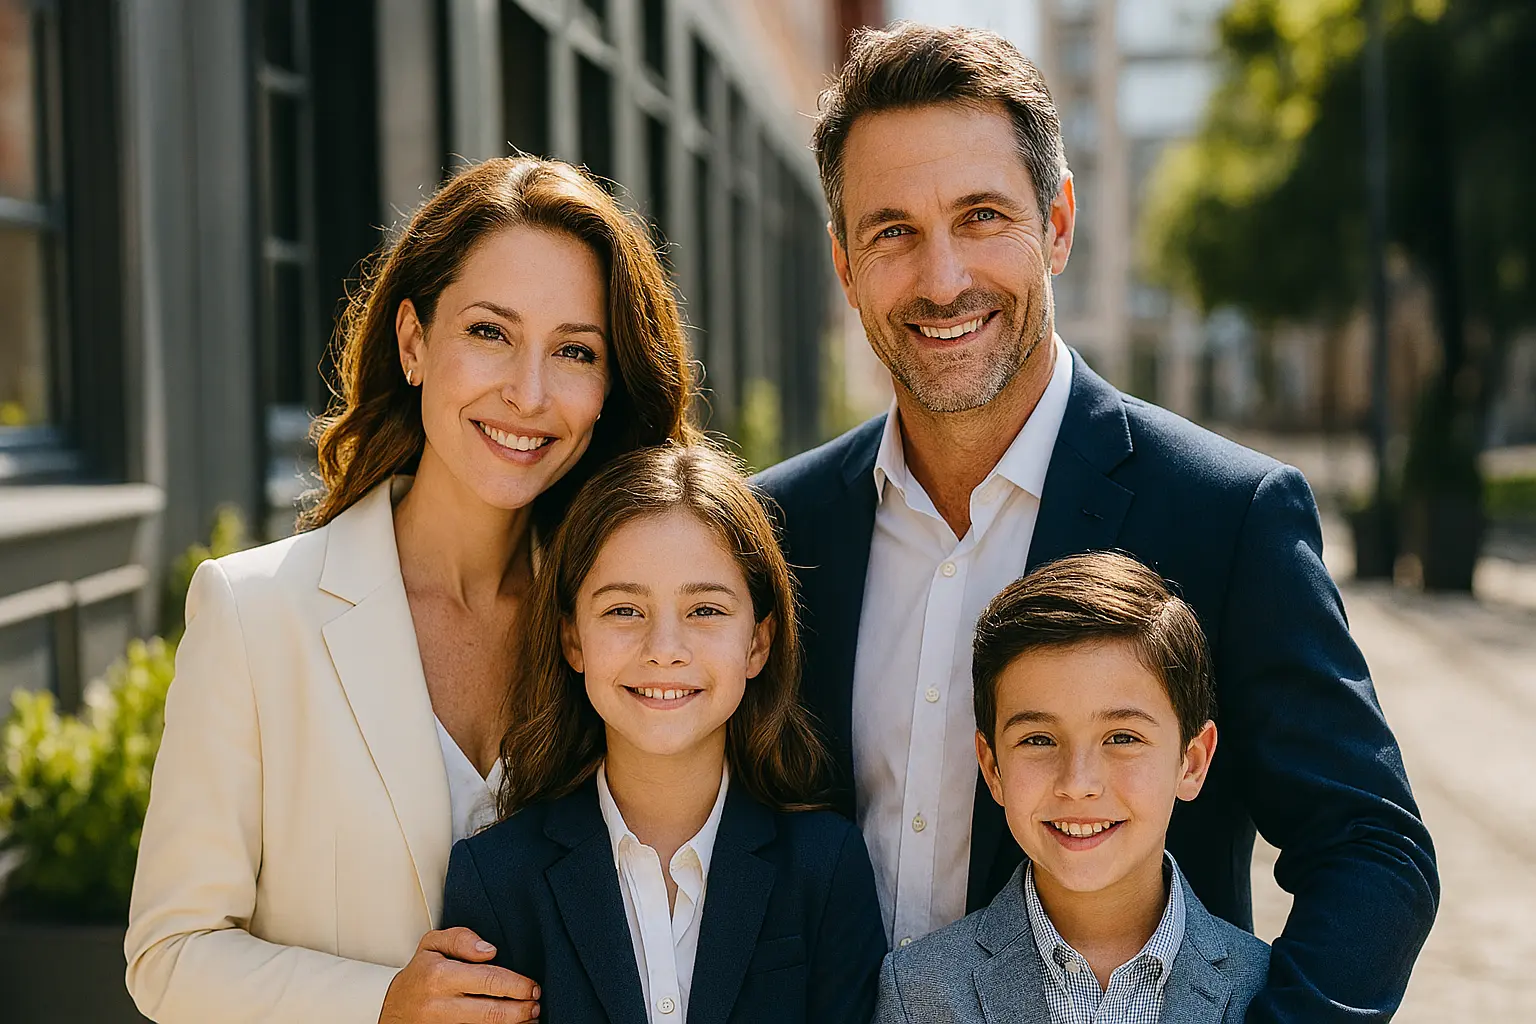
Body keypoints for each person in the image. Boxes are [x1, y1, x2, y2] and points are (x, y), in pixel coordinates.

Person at [753, 22, 1437, 1022]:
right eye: (892, 230)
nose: (942, 279)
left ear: (1060, 222)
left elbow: (1375, 854)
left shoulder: (1227, 515)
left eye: (983, 216)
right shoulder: (775, 530)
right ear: (845, 263)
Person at [125, 156, 696, 1024]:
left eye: (575, 351)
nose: (529, 393)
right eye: (489, 333)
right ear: (414, 342)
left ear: (610, 385)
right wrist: (380, 1006)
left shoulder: (624, 629)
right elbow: (170, 956)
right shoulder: (255, 616)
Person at [439, 443, 887, 1024]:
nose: (665, 651)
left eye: (705, 611)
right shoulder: (497, 878)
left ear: (758, 642)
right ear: (573, 639)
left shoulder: (826, 869)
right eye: (625, 611)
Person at [876, 552, 1270, 1023]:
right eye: (1038, 740)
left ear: (1192, 761)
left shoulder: (1263, 989)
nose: (1078, 783)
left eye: (1122, 738)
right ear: (992, 767)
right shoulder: (918, 989)